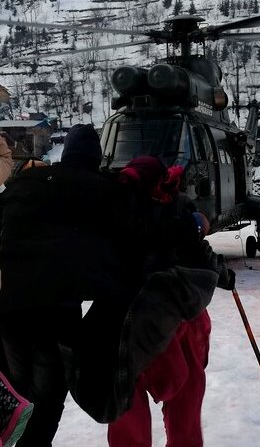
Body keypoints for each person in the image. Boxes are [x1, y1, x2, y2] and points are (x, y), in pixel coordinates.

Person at [0, 124, 132, 446]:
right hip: (56, 313)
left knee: (13, 392)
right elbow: (126, 240)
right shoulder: (102, 190)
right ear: (96, 158)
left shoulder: (25, 182)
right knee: (47, 399)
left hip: (8, 310)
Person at [106, 155, 231, 447]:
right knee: (184, 395)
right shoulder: (178, 208)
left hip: (128, 320)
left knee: (128, 399)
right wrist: (221, 272)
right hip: (172, 317)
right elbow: (201, 252)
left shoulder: (116, 207)